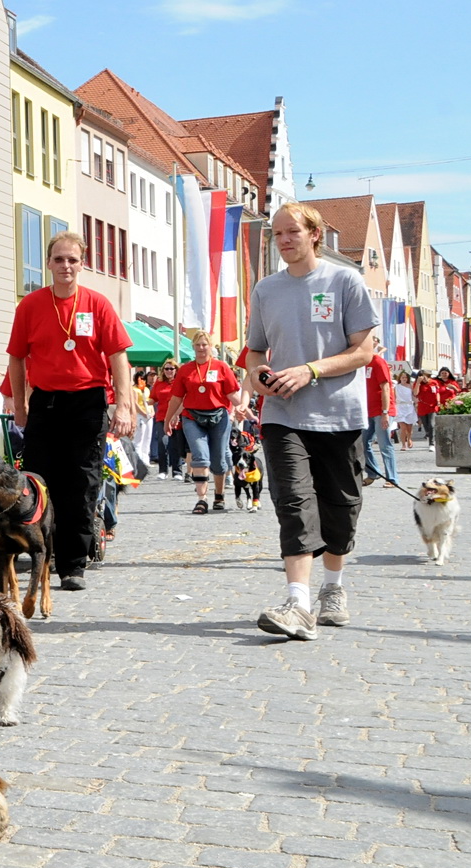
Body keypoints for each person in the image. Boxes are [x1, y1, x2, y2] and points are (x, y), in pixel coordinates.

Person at [246, 203, 379, 642]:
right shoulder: (266, 289)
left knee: (341, 509)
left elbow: (363, 351)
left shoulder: (345, 281)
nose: (284, 240)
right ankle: (298, 604)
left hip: (339, 415)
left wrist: (310, 370)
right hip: (283, 415)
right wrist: (258, 375)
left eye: (292, 232)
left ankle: (333, 587)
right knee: (294, 503)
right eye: (277, 234)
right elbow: (255, 351)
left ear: (314, 234)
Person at [7, 231, 135, 592]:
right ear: (49, 263)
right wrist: (20, 404)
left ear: (82, 264)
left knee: (82, 484)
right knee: (38, 483)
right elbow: (16, 358)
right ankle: (43, 554)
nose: (66, 266)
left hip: (87, 402)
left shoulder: (97, 304)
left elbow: (118, 356)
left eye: (72, 260)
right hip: (46, 403)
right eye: (59, 259)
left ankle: (73, 564)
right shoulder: (31, 305)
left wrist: (124, 405)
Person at [164, 332, 243, 514]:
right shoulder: (185, 370)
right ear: (193, 346)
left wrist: (242, 408)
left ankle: (219, 495)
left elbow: (232, 393)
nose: (201, 348)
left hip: (219, 416)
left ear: (210, 346)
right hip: (192, 417)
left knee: (219, 459)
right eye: (198, 344)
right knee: (199, 455)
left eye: (204, 344)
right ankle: (202, 499)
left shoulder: (221, 367)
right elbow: (176, 398)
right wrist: (168, 419)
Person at [361, 339, 399, 487]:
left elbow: (386, 388)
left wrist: (385, 412)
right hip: (368, 410)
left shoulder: (378, 362)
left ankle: (392, 478)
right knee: (363, 443)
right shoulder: (362, 363)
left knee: (384, 445)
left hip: (381, 410)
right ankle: (373, 472)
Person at [149, 358, 181, 479]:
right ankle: (163, 470)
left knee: (175, 444)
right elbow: (153, 398)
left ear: (176, 370)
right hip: (162, 417)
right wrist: (142, 401)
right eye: (166, 369)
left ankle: (177, 471)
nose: (168, 371)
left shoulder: (179, 382)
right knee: (162, 443)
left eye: (171, 368)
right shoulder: (159, 383)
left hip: (176, 416)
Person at [394, 368, 417, 450]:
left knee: (409, 428)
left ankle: (409, 438)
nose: (404, 379)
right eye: (402, 377)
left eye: (405, 377)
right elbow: (394, 397)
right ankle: (403, 445)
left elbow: (414, 396)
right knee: (403, 428)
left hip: (409, 407)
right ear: (400, 378)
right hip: (400, 407)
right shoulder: (396, 387)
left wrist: (417, 403)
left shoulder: (410, 386)